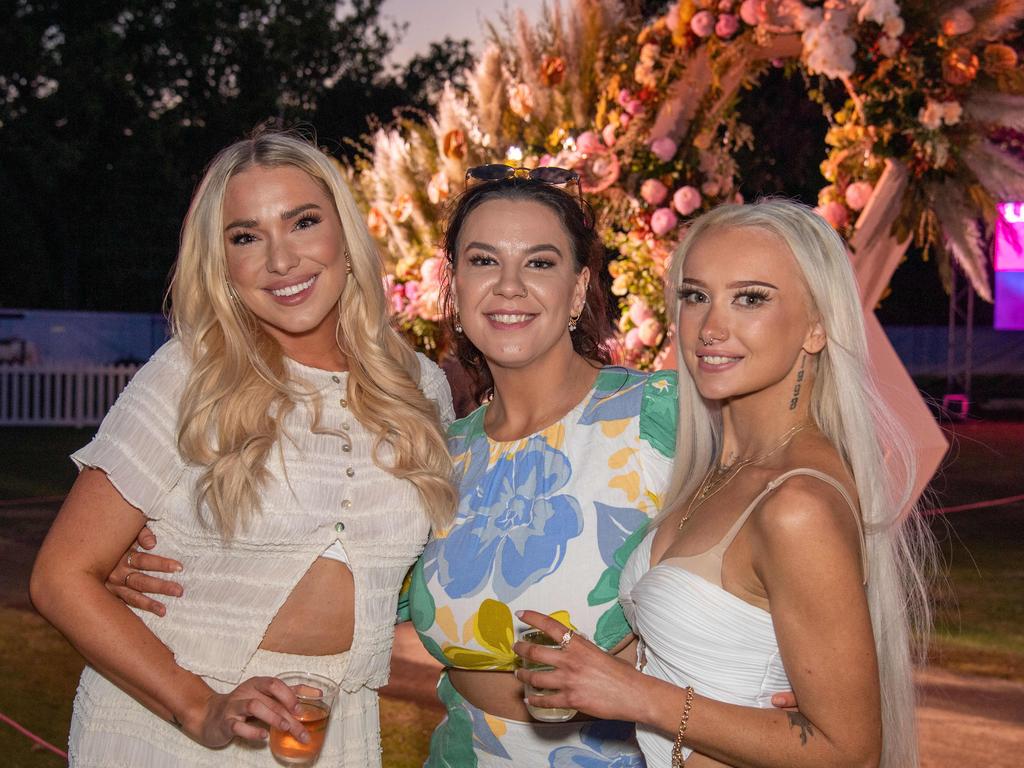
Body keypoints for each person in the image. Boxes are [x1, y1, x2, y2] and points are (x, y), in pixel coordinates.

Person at [29, 129, 457, 767]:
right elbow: (61, 576)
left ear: (345, 234)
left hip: (333, 734)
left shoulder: (420, 388)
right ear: (221, 264)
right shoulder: (189, 376)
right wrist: (197, 706)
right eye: (246, 237)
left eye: (302, 222)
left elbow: (416, 572)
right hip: (168, 728)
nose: (280, 260)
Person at [515, 199, 931, 768]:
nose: (711, 327)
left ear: (817, 325)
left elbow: (851, 751)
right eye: (695, 295)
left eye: (751, 298)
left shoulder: (796, 504)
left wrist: (637, 696)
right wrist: (597, 672)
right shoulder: (724, 470)